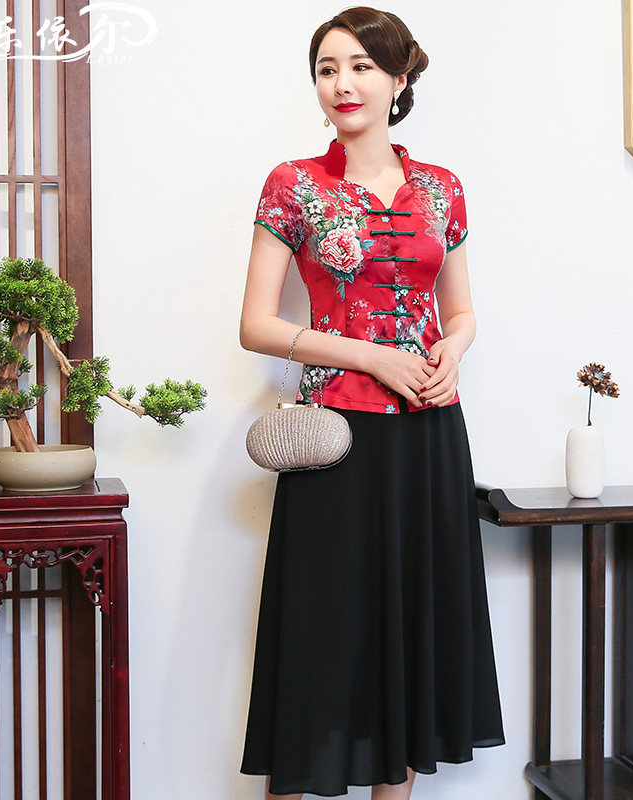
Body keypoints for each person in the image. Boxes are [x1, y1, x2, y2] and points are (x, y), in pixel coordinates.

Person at [238, 7, 505, 798]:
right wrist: (370, 356)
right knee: (320, 639)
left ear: (398, 77)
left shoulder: (442, 189)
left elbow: (461, 311)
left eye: (360, 66)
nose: (342, 83)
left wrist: (453, 352)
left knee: (413, 629)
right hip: (336, 442)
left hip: (429, 435)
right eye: (327, 69)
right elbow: (256, 325)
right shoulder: (293, 184)